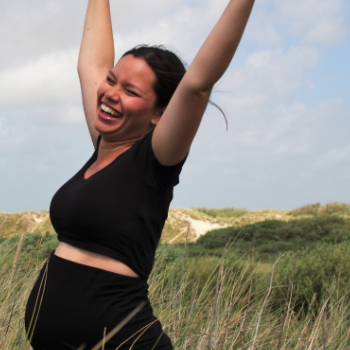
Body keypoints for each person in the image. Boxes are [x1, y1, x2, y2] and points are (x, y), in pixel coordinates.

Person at [24, 0, 255, 349]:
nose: (110, 93)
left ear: (160, 114)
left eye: (130, 92)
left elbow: (197, 85)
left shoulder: (155, 162)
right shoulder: (104, 145)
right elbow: (91, 66)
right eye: (113, 81)